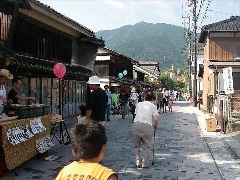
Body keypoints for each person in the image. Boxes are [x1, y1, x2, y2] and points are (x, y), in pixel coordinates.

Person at [132, 91, 158, 168]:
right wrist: (155, 126)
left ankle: (137, 161)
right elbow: (156, 119)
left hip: (136, 124)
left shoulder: (139, 104)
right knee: (146, 145)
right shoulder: (153, 106)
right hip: (147, 125)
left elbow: (136, 114)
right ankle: (144, 162)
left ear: (144, 97)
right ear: (152, 99)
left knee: (136, 145)